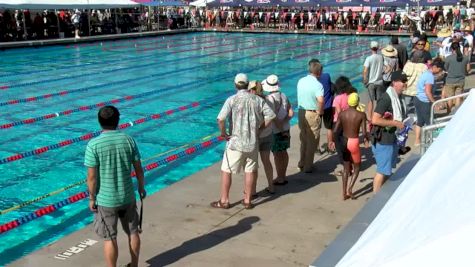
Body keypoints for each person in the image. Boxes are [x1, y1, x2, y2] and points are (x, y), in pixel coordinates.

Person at [85, 105, 146, 267]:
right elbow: (139, 169)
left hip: (106, 201)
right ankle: (134, 265)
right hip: (128, 196)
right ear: (118, 121)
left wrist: (92, 198)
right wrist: (141, 187)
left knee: (110, 238)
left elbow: (91, 178)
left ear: (99, 122)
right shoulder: (128, 140)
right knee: (133, 233)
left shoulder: (93, 145)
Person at [212, 73, 275, 209]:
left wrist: (224, 133)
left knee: (226, 171)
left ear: (235, 85)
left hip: (235, 143)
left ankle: (224, 200)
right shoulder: (258, 100)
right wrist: (259, 129)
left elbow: (221, 119)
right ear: (247, 85)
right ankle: (247, 201)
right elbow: (270, 116)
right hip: (252, 142)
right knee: (250, 171)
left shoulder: (232, 100)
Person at [371, 70, 407, 193]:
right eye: (403, 81)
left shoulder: (399, 98)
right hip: (384, 140)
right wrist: (395, 123)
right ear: (394, 82)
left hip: (393, 139)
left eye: (405, 81)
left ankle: (382, 196)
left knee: (387, 171)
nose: (405, 84)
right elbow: (375, 119)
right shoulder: (386, 98)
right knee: (382, 171)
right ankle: (375, 199)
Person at [333, 93, 369, 200]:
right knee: (357, 167)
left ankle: (344, 193)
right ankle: (350, 189)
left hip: (344, 140)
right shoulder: (361, 115)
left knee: (345, 168)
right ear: (357, 102)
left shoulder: (342, 114)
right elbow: (364, 132)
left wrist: (335, 141)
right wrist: (366, 139)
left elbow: (335, 130)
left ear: (348, 102)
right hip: (354, 141)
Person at [262, 74, 294, 185]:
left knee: (277, 154)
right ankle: (283, 176)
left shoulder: (269, 99)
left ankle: (279, 178)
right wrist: (285, 122)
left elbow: (273, 117)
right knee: (284, 152)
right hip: (286, 128)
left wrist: (281, 129)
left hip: (276, 131)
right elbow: (291, 112)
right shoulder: (283, 95)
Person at [297, 59, 324, 173]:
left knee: (303, 139)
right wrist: (320, 112)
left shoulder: (301, 81)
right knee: (312, 141)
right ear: (318, 72)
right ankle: (308, 166)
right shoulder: (318, 85)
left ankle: (301, 163)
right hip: (312, 113)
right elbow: (321, 100)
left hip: (301, 112)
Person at [248, 80, 275, 194]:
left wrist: (259, 129)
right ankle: (271, 186)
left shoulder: (253, 101)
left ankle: (252, 190)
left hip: (257, 136)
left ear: (252, 90)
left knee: (253, 164)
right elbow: (271, 117)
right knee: (266, 161)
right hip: (268, 135)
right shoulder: (268, 100)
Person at [414, 59, 445, 146]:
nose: (441, 71)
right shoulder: (430, 76)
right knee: (429, 122)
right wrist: (434, 103)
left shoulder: (426, 73)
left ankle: (417, 140)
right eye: (440, 69)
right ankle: (432, 141)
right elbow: (428, 92)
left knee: (419, 121)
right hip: (424, 101)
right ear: (435, 67)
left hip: (417, 98)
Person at [443, 42, 471, 113]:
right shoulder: (465, 57)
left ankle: (448, 113)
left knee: (450, 98)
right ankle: (456, 113)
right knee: (458, 97)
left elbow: (445, 68)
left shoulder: (448, 58)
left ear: (451, 49)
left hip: (450, 81)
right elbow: (468, 69)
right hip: (461, 80)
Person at [362, 41, 384, 123]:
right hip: (379, 82)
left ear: (370, 48)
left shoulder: (369, 58)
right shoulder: (381, 57)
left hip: (371, 83)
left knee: (370, 101)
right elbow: (386, 68)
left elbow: (365, 71)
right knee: (378, 102)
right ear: (378, 48)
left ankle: (370, 118)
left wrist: (365, 81)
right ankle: (378, 118)